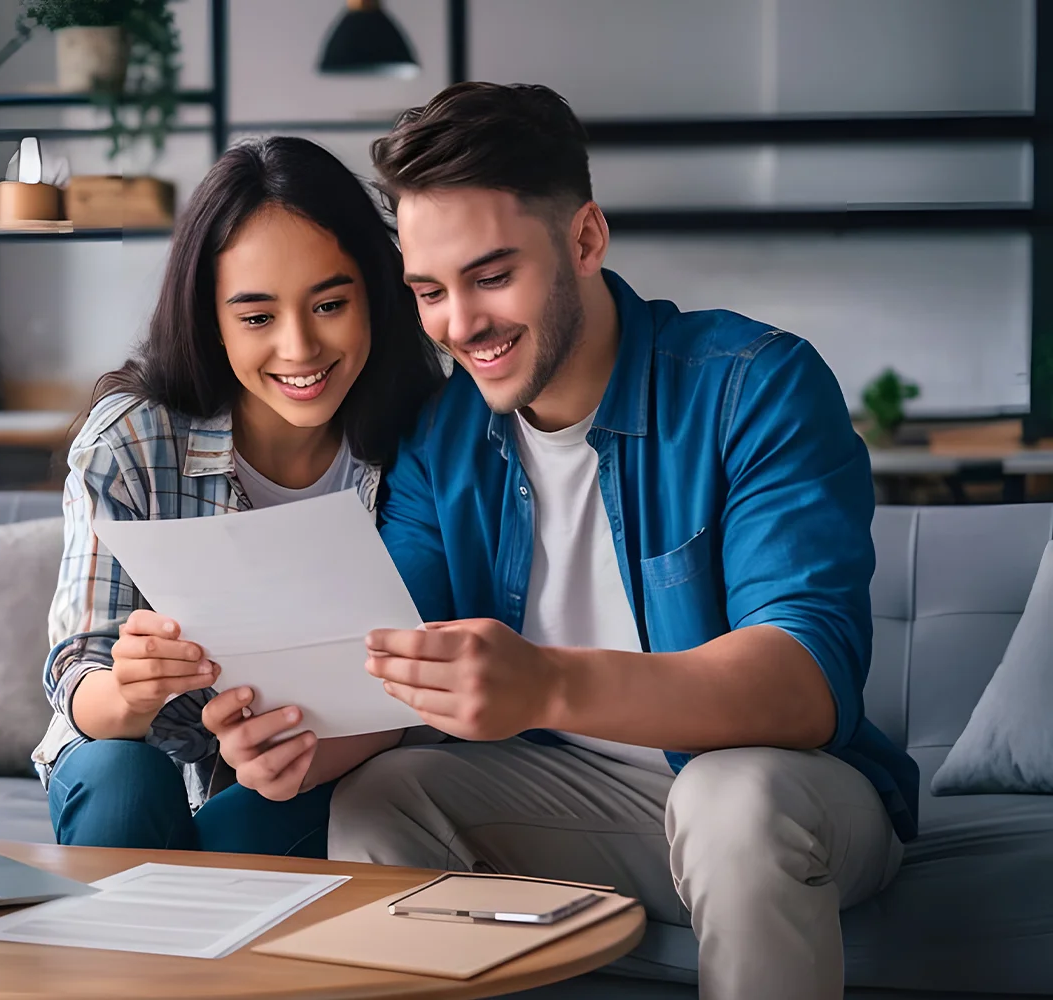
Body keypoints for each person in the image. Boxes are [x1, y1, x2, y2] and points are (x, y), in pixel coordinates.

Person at [327, 82, 920, 1000]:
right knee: (381, 793)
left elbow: (808, 681)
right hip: (582, 803)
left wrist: (549, 682)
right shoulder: (440, 438)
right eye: (428, 292)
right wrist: (283, 729)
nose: (459, 325)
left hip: (791, 800)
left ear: (586, 239)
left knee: (731, 800)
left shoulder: (754, 384)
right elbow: (386, 661)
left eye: (491, 276)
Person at [33, 136, 445, 859]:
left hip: (331, 760)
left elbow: (437, 675)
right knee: (121, 777)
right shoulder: (131, 443)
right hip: (133, 752)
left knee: (248, 828)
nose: (299, 349)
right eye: (257, 318)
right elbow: (79, 673)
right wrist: (131, 690)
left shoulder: (429, 436)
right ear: (211, 321)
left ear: (375, 295)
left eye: (330, 304)